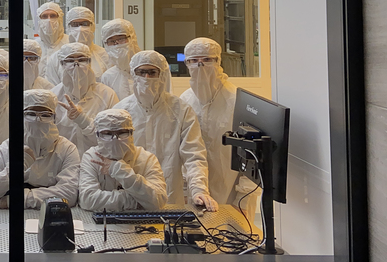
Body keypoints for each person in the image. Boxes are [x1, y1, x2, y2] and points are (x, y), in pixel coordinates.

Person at [114, 51, 217, 210]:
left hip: (168, 198)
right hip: (128, 197)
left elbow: (194, 155)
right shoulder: (120, 111)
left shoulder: (180, 110)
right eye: (141, 72)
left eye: (152, 72)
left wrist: (199, 189)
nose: (147, 78)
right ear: (133, 74)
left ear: (161, 75)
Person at [179, 37, 257, 219]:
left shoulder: (237, 101)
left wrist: (243, 200)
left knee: (235, 240)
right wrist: (184, 188)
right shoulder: (185, 101)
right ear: (186, 64)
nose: (200, 66)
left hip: (233, 195)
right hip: (195, 192)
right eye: (193, 61)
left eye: (206, 60)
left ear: (218, 61)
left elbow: (252, 156)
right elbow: (182, 151)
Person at [0, 89, 80, 209]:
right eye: (31, 114)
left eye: (45, 115)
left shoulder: (66, 149)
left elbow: (69, 194)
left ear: (54, 118)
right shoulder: (6, 149)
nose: (37, 120)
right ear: (21, 117)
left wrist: (15, 200)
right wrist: (15, 169)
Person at [78, 109, 168, 212]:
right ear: (97, 135)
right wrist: (135, 200)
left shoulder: (147, 159)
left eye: (122, 133)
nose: (115, 139)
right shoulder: (92, 158)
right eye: (107, 133)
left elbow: (159, 200)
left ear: (131, 133)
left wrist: (119, 170)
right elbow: (88, 200)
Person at [52, 43, 119, 156]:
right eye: (70, 60)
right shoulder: (54, 96)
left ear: (89, 62)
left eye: (82, 59)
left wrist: (83, 120)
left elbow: (115, 137)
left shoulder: (107, 95)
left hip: (99, 162)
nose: (76, 64)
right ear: (62, 64)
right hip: (64, 163)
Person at [46, 6, 111, 85]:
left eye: (85, 24)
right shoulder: (56, 59)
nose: (80, 28)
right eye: (75, 24)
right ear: (68, 27)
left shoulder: (105, 56)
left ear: (92, 26)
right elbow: (53, 89)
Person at [99, 18, 141, 100]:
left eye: (121, 38)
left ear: (132, 38)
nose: (116, 43)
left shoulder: (150, 68)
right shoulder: (108, 77)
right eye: (111, 41)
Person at [35, 2, 69, 82]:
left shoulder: (70, 44)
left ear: (60, 18)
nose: (49, 20)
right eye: (44, 16)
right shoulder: (34, 46)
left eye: (53, 16)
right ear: (39, 20)